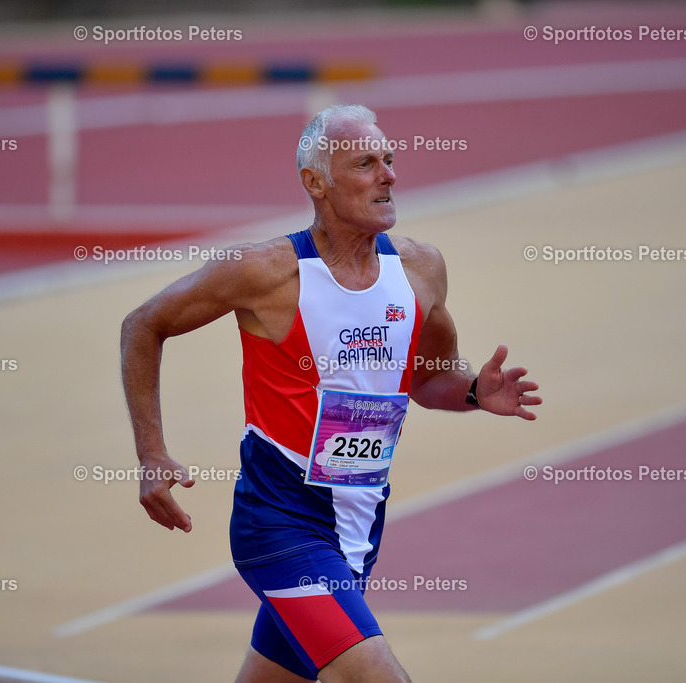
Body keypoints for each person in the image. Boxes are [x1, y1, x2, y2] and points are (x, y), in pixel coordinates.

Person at [120, 104, 541, 682]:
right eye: (366, 163)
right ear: (315, 182)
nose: (388, 175)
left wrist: (473, 390)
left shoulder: (420, 269)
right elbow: (143, 324)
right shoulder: (265, 271)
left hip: (357, 530)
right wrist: (152, 453)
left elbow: (427, 378)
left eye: (390, 160)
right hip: (279, 525)